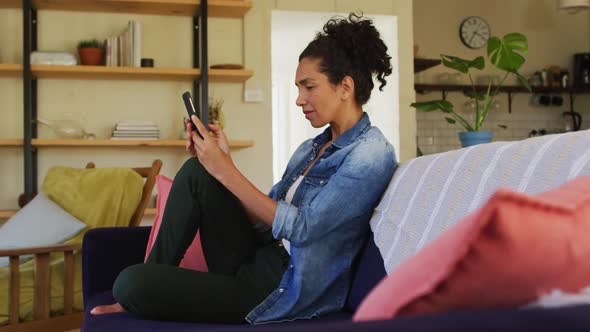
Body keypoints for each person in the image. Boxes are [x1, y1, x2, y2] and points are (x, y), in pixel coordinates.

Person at [91, 12, 397, 325]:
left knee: (129, 283)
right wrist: (222, 164)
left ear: (345, 87)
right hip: (257, 257)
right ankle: (149, 280)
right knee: (198, 173)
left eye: (309, 87)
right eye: (298, 88)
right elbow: (265, 222)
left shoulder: (371, 154)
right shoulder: (310, 148)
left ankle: (143, 289)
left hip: (280, 287)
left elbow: (305, 229)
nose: (299, 99)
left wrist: (226, 171)